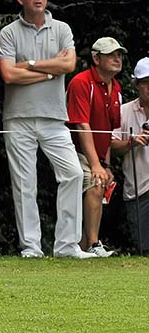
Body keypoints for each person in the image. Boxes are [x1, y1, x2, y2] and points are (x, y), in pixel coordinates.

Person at [0, 0, 94, 259]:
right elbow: (8, 75)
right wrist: (51, 71)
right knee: (25, 184)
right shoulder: (9, 32)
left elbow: (70, 63)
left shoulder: (62, 28)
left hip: (54, 118)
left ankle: (66, 246)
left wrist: (29, 65)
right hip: (18, 118)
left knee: (74, 174)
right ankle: (32, 248)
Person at [66, 37, 124, 257]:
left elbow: (106, 132)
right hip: (75, 150)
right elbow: (82, 125)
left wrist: (106, 164)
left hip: (97, 155)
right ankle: (92, 243)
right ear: (96, 58)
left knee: (100, 186)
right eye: (111, 54)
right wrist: (95, 164)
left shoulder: (116, 87)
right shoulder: (81, 82)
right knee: (96, 184)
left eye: (118, 54)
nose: (117, 58)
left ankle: (84, 246)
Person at [111, 57, 149, 252]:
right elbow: (111, 146)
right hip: (138, 191)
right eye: (145, 83)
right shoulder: (123, 111)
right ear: (136, 85)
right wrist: (131, 143)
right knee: (143, 248)